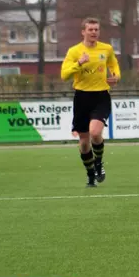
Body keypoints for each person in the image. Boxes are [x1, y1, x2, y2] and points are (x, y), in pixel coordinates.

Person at [60, 17, 120, 187]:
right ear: (83, 32)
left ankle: (99, 163)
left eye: (96, 29)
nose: (94, 32)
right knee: (84, 142)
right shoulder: (74, 51)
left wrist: (116, 76)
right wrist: (79, 63)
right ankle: (90, 175)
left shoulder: (106, 49)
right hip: (82, 98)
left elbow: (114, 65)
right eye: (90, 29)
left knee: (95, 133)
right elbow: (64, 75)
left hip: (101, 96)